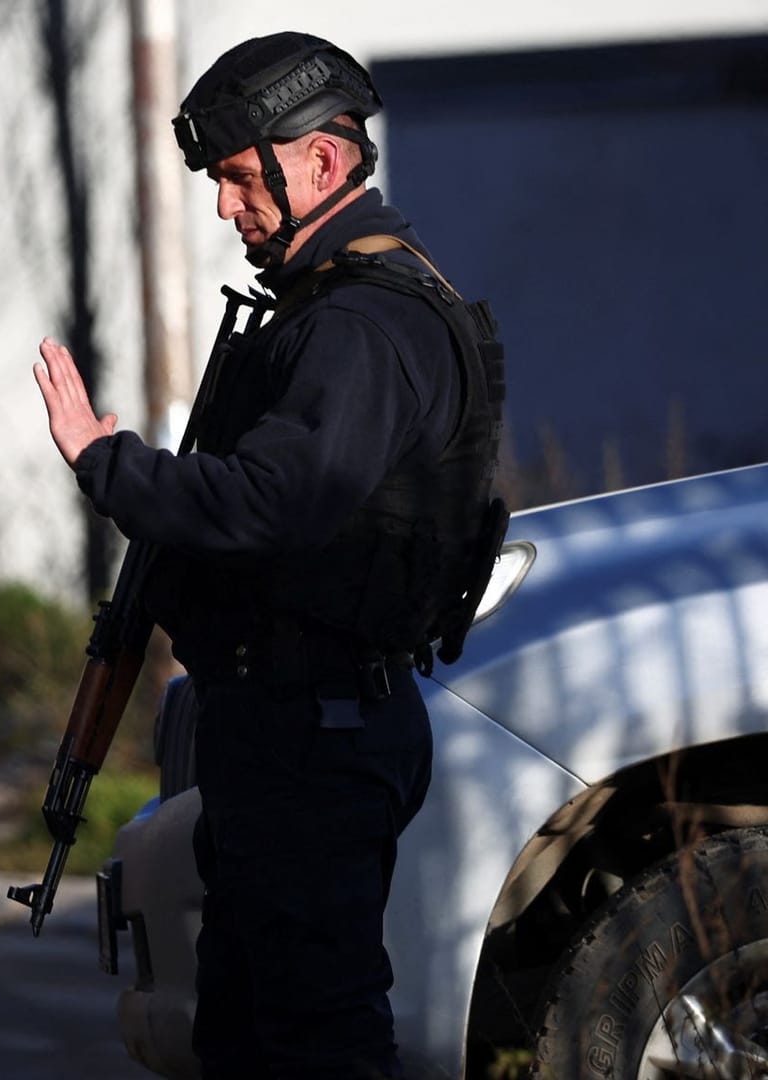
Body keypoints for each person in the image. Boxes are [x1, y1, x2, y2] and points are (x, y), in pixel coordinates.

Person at [32, 31, 504, 1080]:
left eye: (242, 175)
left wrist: (110, 464)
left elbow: (275, 502)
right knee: (248, 1038)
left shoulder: (363, 327)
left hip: (315, 739)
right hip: (301, 730)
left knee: (315, 1042)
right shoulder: (351, 305)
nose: (223, 203)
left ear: (323, 164)